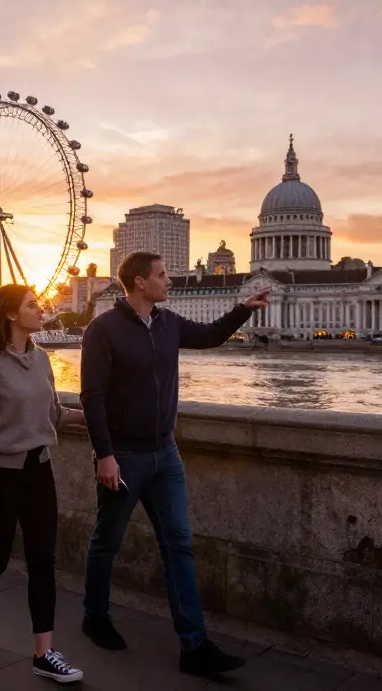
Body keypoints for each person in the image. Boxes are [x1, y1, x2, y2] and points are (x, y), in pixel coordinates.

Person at [79, 251, 270, 677]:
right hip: (124, 456)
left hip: (165, 453)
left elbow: (209, 336)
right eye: (162, 276)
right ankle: (95, 617)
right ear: (139, 283)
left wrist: (243, 309)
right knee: (107, 541)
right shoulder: (102, 330)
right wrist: (104, 454)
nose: (170, 282)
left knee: (179, 546)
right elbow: (91, 396)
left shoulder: (168, 324)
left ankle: (194, 646)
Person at [0, 284, 87, 684]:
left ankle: (43, 654)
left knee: (43, 563)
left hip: (38, 471)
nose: (41, 309)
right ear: (11, 314)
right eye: (32, 305)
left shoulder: (43, 359)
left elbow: (52, 414)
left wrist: (93, 415)